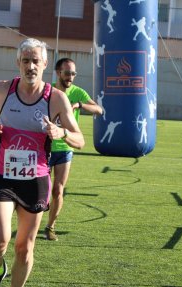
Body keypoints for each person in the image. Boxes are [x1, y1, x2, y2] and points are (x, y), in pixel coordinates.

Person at [0, 38, 85, 287]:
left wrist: (61, 133)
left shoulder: (56, 99)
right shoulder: (2, 90)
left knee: (24, 247)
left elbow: (81, 140)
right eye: (26, 60)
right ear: (18, 63)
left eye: (36, 60)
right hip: (2, 175)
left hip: (36, 179)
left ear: (45, 64)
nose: (31, 66)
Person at [44, 58, 103, 241]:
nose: (70, 77)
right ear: (58, 72)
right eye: (67, 73)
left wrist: (80, 105)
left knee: (59, 190)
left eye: (73, 73)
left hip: (65, 147)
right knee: (43, 191)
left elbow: (99, 109)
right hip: (45, 147)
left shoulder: (78, 93)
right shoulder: (48, 90)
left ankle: (50, 226)